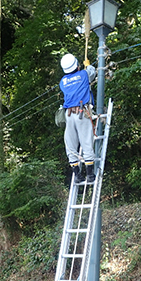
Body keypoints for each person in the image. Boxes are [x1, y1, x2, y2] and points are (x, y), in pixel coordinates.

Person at [59, 53, 97, 184]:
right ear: (77, 64)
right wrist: (88, 65)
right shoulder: (84, 75)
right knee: (86, 142)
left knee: (70, 145)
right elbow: (92, 73)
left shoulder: (63, 81)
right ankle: (91, 175)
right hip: (82, 112)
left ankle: (77, 175)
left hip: (69, 115)